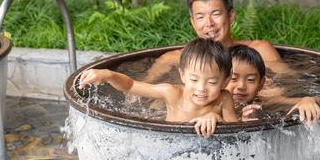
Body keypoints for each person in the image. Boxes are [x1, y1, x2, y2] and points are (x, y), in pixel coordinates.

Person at [78, 38, 239, 138]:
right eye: (194, 79)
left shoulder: (223, 99)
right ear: (182, 75)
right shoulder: (172, 94)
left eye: (211, 82)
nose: (201, 88)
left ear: (225, 81)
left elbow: (238, 132)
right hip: (169, 142)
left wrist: (217, 119)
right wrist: (109, 75)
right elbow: (131, 85)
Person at [144, 0, 293, 83]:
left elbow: (290, 82)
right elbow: (140, 93)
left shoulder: (260, 50)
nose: (209, 24)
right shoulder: (172, 59)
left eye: (215, 14)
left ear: (231, 16)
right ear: (193, 22)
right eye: (200, 17)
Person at [226, 45, 320, 123]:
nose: (242, 86)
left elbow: (318, 99)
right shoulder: (216, 105)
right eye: (233, 78)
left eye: (250, 80)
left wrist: (307, 100)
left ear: (261, 84)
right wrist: (239, 122)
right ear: (222, 80)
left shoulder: (265, 102)